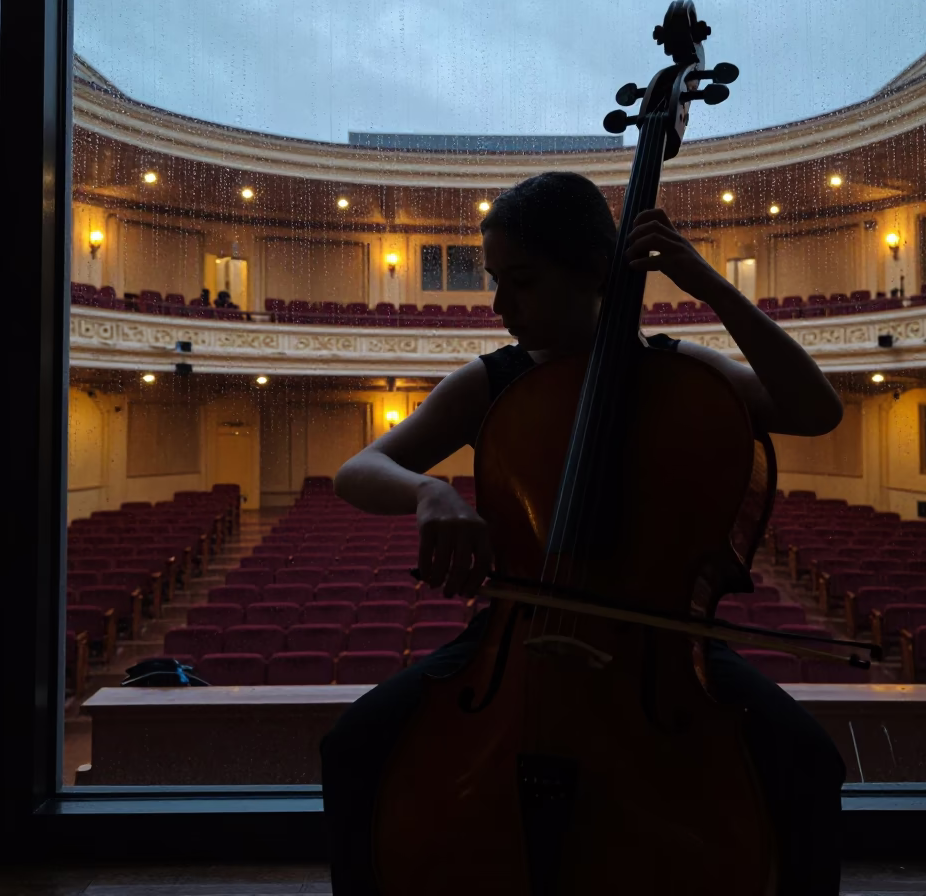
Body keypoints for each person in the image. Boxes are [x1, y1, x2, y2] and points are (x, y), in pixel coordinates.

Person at [321, 171, 847, 895]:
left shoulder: (680, 373)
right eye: (496, 281)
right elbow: (359, 470)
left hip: (660, 641)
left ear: (597, 271)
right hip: (518, 632)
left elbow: (814, 409)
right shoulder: (493, 380)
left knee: (807, 762)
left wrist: (714, 290)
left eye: (524, 282)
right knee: (354, 747)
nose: (502, 306)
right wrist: (428, 491)